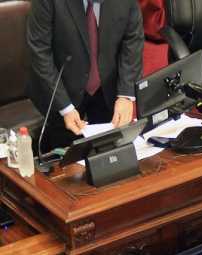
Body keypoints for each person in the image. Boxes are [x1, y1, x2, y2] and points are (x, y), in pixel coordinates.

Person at [26, 0, 144, 152]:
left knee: (110, 153)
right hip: (59, 88)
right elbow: (39, 52)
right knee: (65, 160)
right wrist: (65, 107)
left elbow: (133, 40)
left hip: (106, 88)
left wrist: (126, 95)